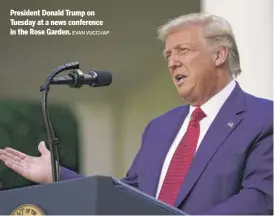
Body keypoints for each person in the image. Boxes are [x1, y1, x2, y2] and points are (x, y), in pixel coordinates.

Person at [0, 13, 272, 215]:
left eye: (183, 50)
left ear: (219, 55)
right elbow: (126, 197)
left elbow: (260, 199)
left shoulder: (263, 118)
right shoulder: (160, 128)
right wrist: (57, 176)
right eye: (168, 55)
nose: (172, 61)